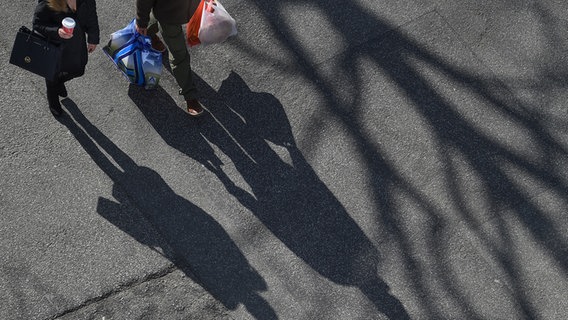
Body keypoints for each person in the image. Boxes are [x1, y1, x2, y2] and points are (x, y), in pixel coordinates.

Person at [135, 0, 205, 117]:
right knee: (179, 54)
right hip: (169, 15)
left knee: (153, 19)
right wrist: (141, 21)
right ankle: (190, 95)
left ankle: (147, 30)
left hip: (191, 6)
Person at [33, 0, 100, 117]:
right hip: (56, 48)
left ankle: (57, 82)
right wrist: (57, 31)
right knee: (52, 73)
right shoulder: (48, 2)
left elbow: (92, 16)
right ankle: (52, 97)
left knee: (79, 70)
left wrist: (93, 38)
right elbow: (37, 24)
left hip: (76, 45)